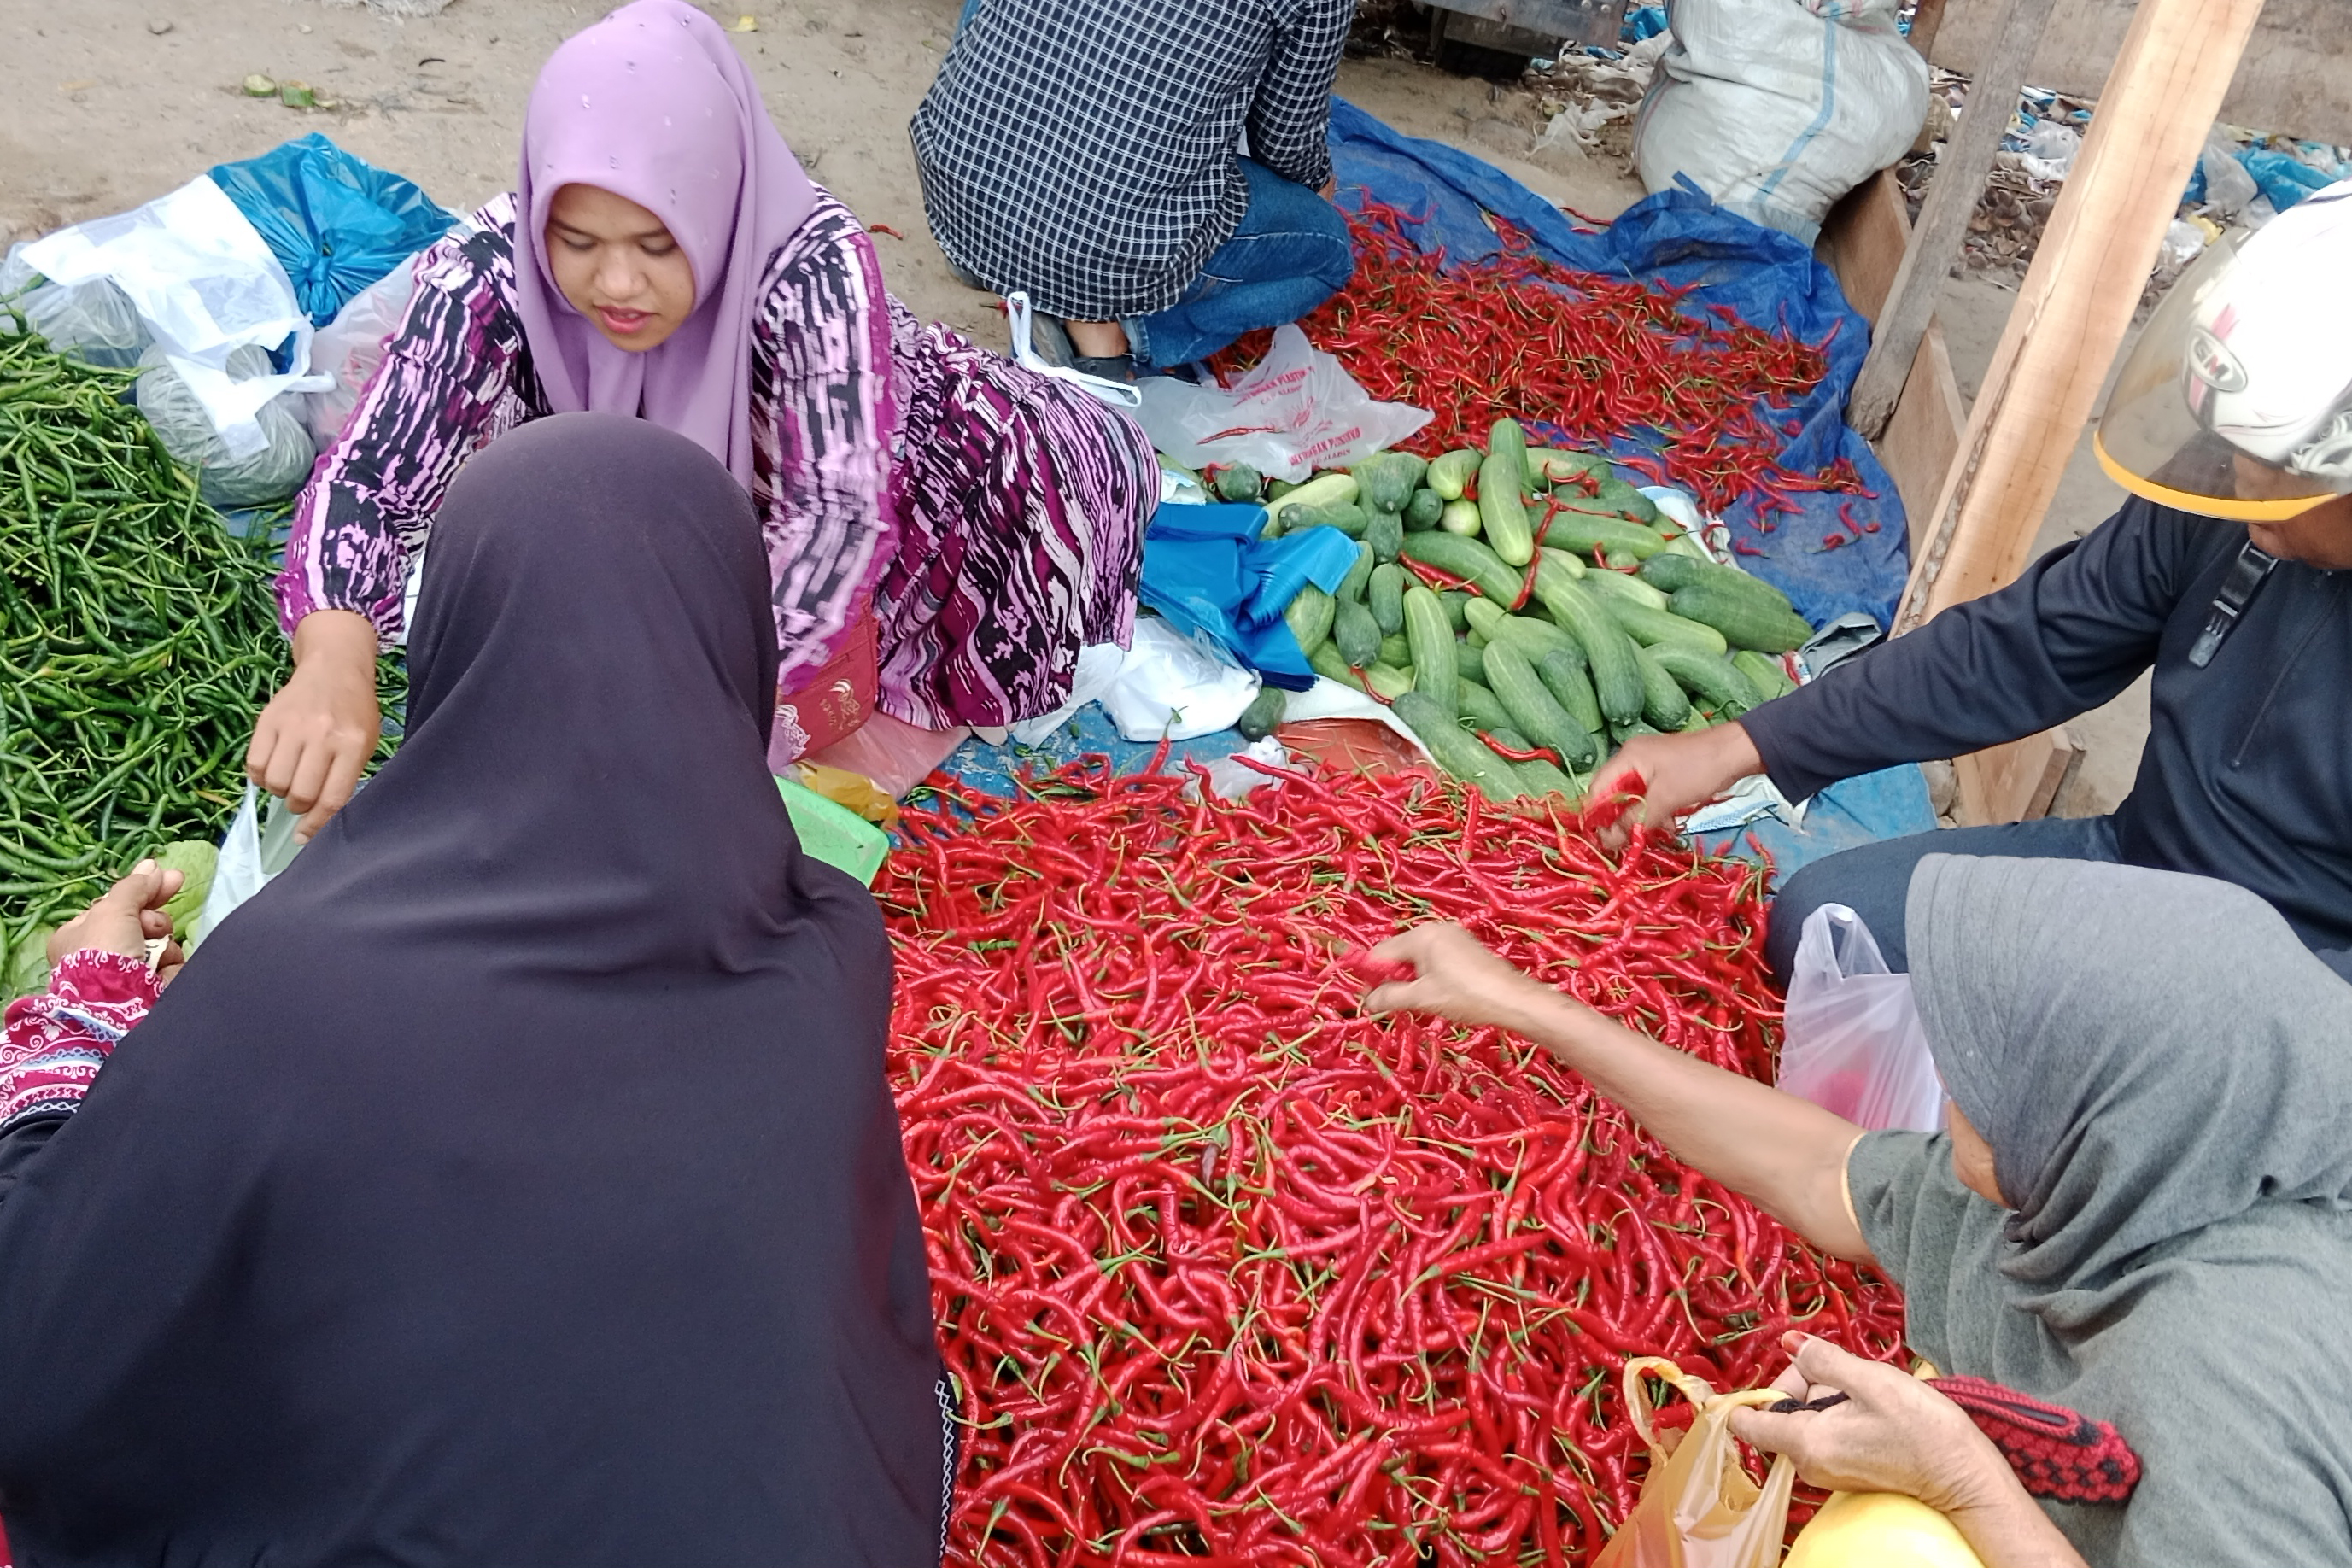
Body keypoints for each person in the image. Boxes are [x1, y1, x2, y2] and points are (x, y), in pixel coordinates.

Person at [0, 415, 953, 1567]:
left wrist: (85, 1008)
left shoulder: (297, 981)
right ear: (729, 648)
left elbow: (47, 1345)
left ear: (451, 642)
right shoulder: (823, 948)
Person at [253, 0, 1155, 840]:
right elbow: (372, 475)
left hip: (959, 479)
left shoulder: (813, 271)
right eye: (577, 241)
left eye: (658, 244)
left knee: (828, 695)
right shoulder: (493, 268)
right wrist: (334, 658)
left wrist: (672, 708)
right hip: (710, 497)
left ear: (722, 205)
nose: (614, 285)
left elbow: (834, 526)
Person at [1366, 855, 2352, 1568]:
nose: (1944, 1088)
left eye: (1984, 1075)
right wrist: (1530, 1007)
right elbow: (1824, 1169)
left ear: (2091, 1116)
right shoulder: (2129, 1180)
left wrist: (1963, 1478)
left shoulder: (2226, 1382)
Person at [1587, 179, 2352, 982]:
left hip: (2305, 995)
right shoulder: (2230, 496)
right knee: (1827, 931)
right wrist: (1744, 746)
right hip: (2141, 872)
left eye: (2280, 482)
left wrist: (2180, 1047)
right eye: (2232, 456)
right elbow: (2032, 644)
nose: (2237, 490)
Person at [910, 0, 1358, 380]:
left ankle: (998, 264)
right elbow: (1281, 140)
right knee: (1328, 246)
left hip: (958, 174)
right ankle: (1116, 328)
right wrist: (1318, 183)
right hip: (1099, 239)